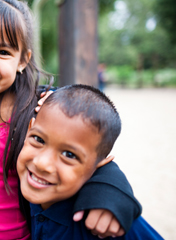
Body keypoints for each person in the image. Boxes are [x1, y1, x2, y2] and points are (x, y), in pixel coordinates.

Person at [0, 0, 141, 239]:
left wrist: (109, 193)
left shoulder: (37, 108)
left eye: (2, 52)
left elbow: (90, 150)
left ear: (22, 60)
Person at [17, 84, 163, 240]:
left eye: (69, 154)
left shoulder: (109, 221)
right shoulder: (16, 180)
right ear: (29, 130)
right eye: (38, 139)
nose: (42, 163)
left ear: (101, 164)